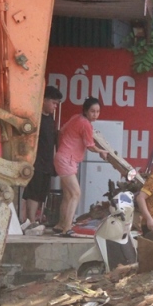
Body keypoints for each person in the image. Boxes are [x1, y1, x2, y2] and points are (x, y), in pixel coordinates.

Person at [52, 97, 108, 235]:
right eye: (92, 111)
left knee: (68, 195)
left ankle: (61, 225)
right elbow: (90, 145)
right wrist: (101, 151)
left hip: (63, 158)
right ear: (85, 111)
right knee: (76, 193)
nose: (95, 114)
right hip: (67, 160)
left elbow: (62, 131)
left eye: (97, 111)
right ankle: (67, 228)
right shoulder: (85, 124)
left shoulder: (76, 118)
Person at [21, 86, 62, 229]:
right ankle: (30, 220)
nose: (55, 106)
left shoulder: (50, 119)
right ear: (44, 100)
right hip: (36, 161)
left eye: (57, 104)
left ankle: (35, 219)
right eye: (53, 103)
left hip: (47, 161)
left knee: (41, 193)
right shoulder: (35, 118)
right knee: (33, 192)